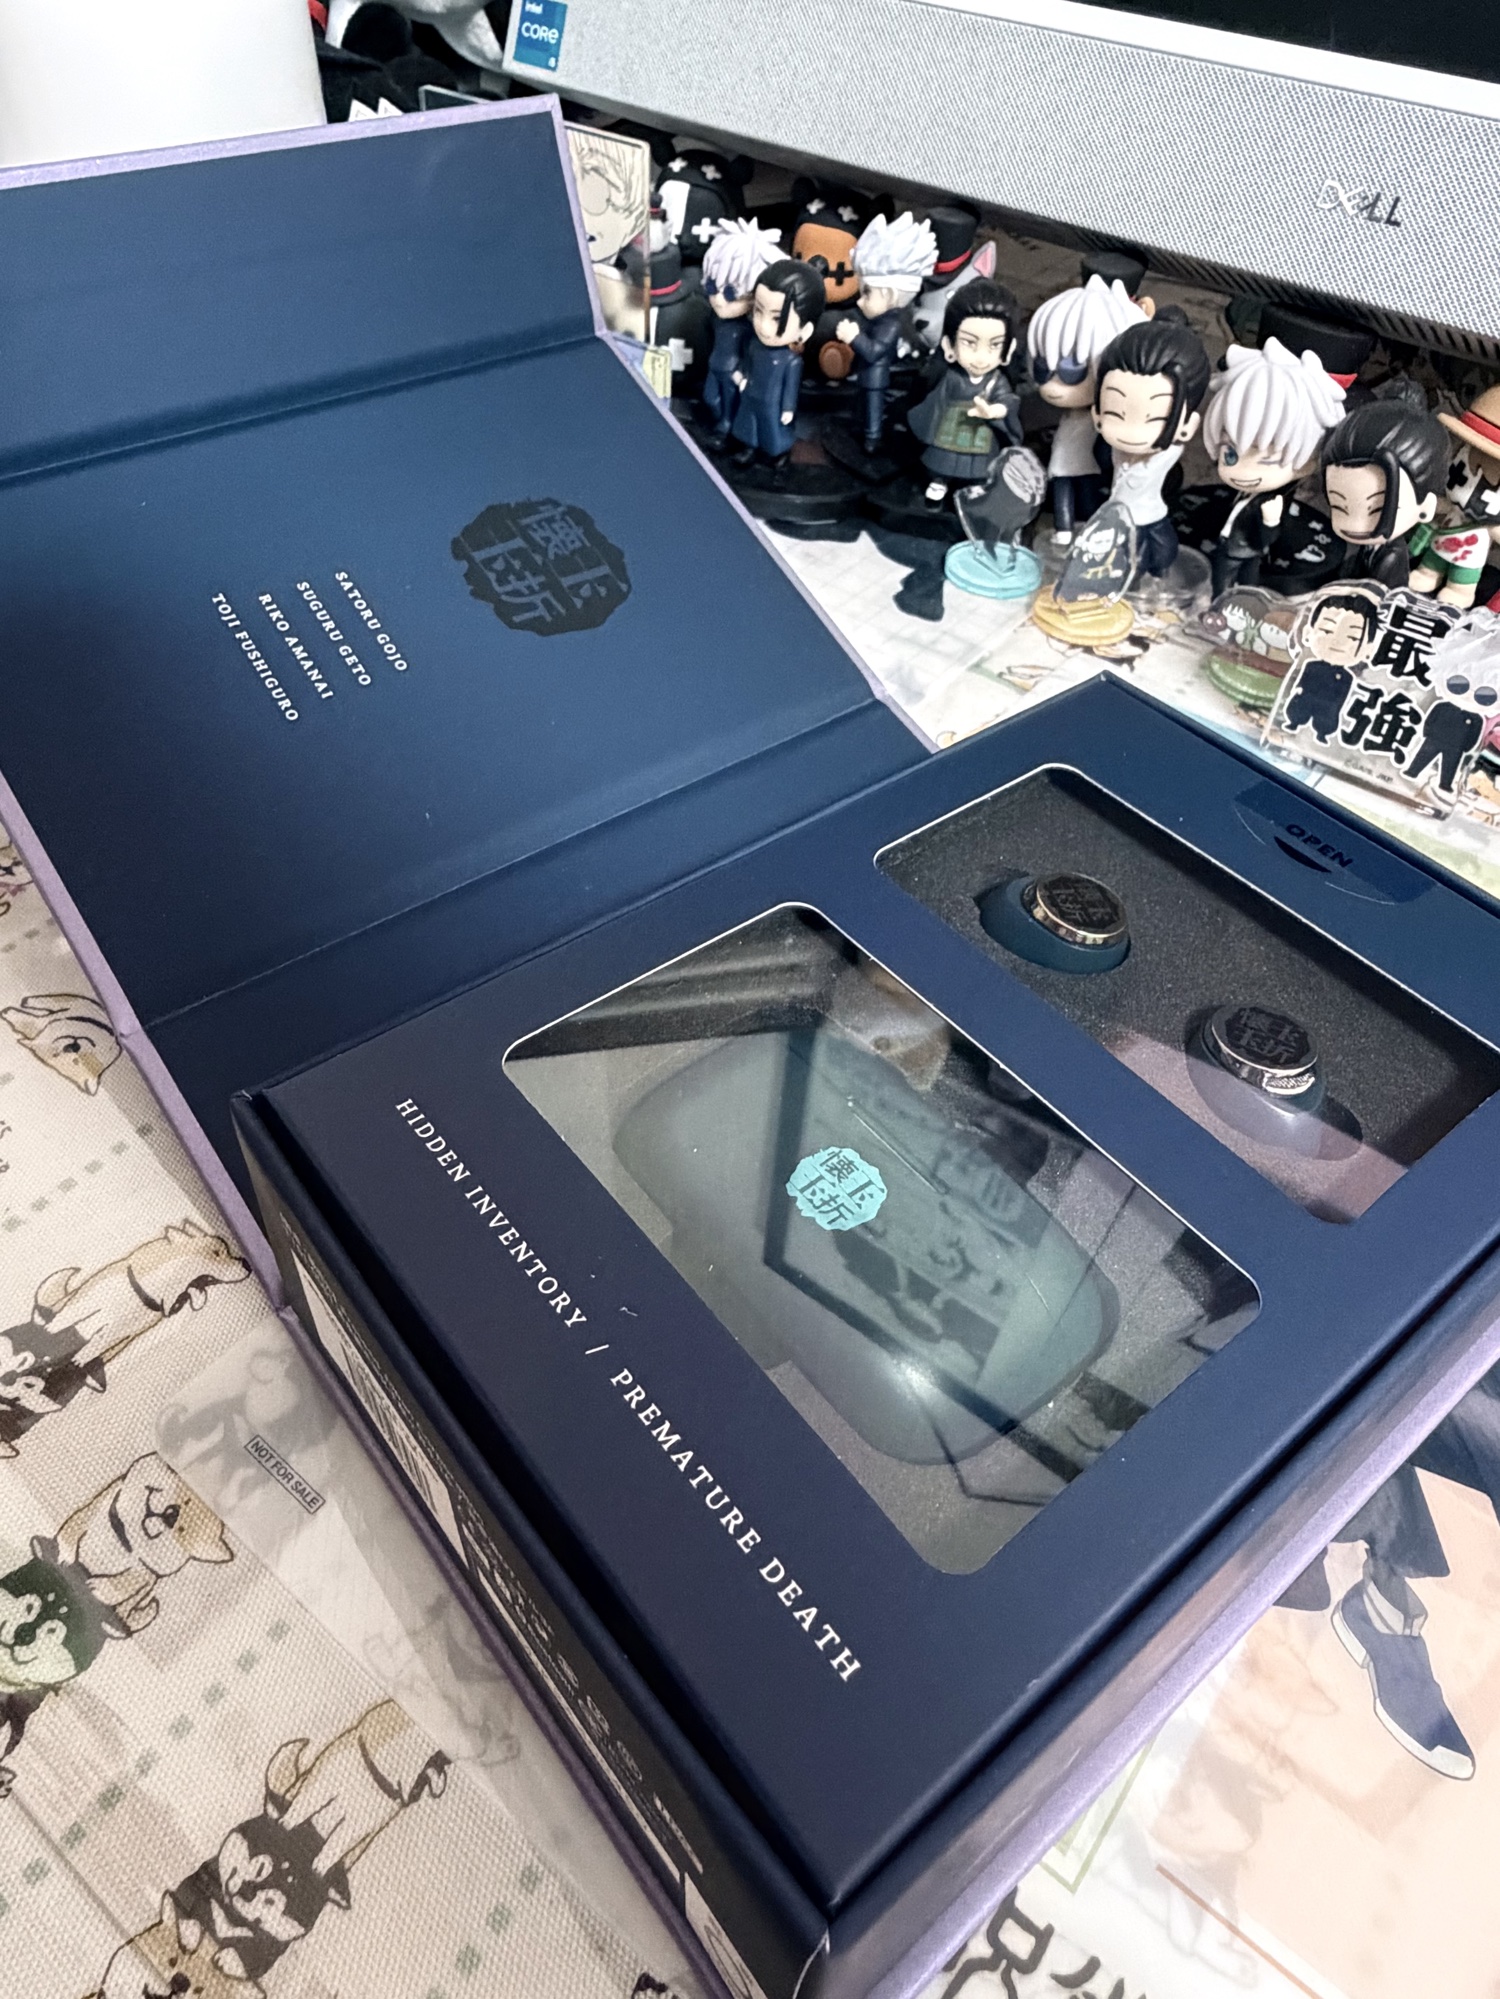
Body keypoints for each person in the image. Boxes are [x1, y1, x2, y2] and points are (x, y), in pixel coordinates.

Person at [1202, 338, 1347, 594]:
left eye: (1267, 461)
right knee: (1239, 584)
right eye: (1230, 455)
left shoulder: (1271, 502)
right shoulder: (1248, 493)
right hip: (1234, 547)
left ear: (1307, 462)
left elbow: (1269, 536)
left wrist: (1270, 522)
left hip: (1243, 551)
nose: (1241, 472)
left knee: (1233, 585)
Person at [1026, 274, 1147, 543]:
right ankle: (1065, 528)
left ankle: (1086, 526)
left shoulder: (1102, 419)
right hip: (1065, 458)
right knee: (1067, 488)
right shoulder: (1068, 413)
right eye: (1044, 369)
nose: (1052, 386)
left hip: (1086, 461)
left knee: (1085, 492)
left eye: (1072, 373)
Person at [1090, 312, 1212, 577]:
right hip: (1117, 515)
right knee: (1127, 562)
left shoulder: (1166, 454)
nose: (1132, 434)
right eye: (1116, 413)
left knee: (1162, 552)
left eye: (1155, 419)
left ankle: (1156, 577)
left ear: (1188, 425)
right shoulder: (1112, 449)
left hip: (1150, 514)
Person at [907, 278, 1023, 506]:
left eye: (994, 345)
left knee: (980, 465)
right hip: (951, 426)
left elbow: (1007, 400)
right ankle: (940, 480)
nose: (981, 357)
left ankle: (977, 485)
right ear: (949, 345)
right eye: (970, 343)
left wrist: (994, 411)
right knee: (943, 460)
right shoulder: (951, 377)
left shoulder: (997, 380)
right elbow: (935, 401)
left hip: (981, 432)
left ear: (1007, 349)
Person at [834, 211, 938, 451]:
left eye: (867, 293)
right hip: (864, 374)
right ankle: (860, 428)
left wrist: (854, 337)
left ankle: (872, 436)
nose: (860, 301)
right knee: (861, 404)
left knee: (873, 407)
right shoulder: (878, 319)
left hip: (876, 376)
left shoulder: (891, 325)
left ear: (890, 295)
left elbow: (874, 351)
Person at [1321, 401, 1449, 589]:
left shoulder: (1392, 556)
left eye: (1377, 510)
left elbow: (1379, 594)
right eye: (1339, 507)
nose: (1355, 525)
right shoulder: (1367, 547)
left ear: (1426, 507)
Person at [729, 258, 825, 477]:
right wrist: (742, 374)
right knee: (748, 423)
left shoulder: (791, 361)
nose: (763, 326)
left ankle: (777, 453)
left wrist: (788, 408)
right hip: (750, 393)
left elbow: (790, 387)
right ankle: (749, 447)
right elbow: (748, 361)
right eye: (758, 311)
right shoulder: (754, 345)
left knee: (772, 429)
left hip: (773, 402)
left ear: (804, 330)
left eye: (776, 319)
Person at [698, 217, 783, 447]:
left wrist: (743, 373)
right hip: (714, 367)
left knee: (729, 405)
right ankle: (724, 424)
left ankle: (726, 428)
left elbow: (751, 352)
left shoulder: (749, 328)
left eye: (730, 294)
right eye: (711, 287)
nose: (718, 300)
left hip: (733, 372)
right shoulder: (715, 319)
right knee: (710, 398)